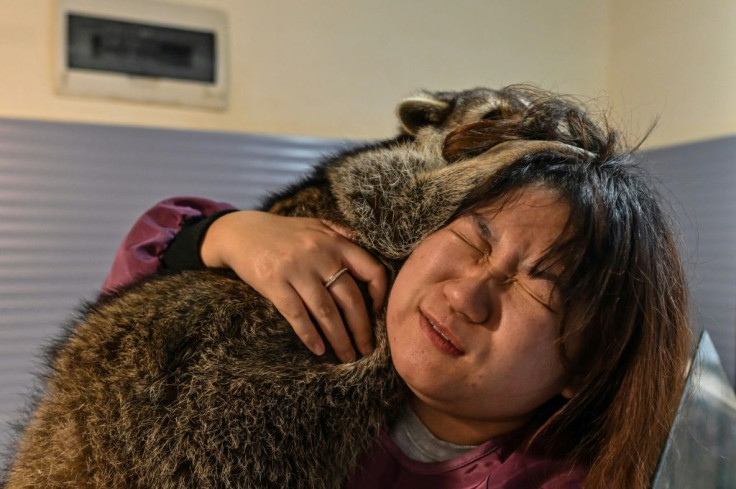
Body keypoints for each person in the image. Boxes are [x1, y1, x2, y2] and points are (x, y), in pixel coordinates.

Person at [102, 89, 692, 489]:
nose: (467, 296)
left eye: (539, 291)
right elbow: (132, 316)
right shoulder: (335, 319)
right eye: (474, 240)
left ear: (585, 366)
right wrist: (222, 236)